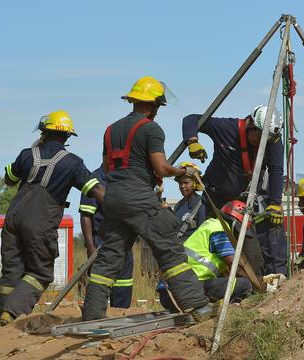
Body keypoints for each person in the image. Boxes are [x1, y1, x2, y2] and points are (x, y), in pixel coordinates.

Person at [82, 76, 212, 322]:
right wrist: (185, 171)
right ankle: (197, 305)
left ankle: (91, 314)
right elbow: (162, 167)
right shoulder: (151, 129)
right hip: (139, 197)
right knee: (169, 248)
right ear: (152, 105)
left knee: (109, 259)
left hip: (113, 197)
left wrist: (142, 174)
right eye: (158, 107)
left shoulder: (110, 130)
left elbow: (109, 168)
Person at [0, 110, 104, 325]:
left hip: (13, 218)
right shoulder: (73, 163)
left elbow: (8, 180)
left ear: (43, 132)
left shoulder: (26, 155)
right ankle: (13, 313)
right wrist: (120, 205)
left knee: (11, 271)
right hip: (40, 222)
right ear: (67, 137)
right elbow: (95, 191)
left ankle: (5, 320)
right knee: (41, 272)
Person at [182, 106, 286, 276]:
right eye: (259, 137)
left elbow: (276, 170)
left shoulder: (271, 139)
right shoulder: (227, 128)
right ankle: (222, 287)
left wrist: (275, 203)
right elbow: (191, 118)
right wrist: (192, 141)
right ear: (250, 124)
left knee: (270, 229)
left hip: (248, 201)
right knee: (220, 248)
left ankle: (273, 278)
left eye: (266, 140)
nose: (262, 143)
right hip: (218, 201)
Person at [158, 200, 253, 311]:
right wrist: (255, 285)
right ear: (235, 224)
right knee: (245, 284)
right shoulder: (219, 229)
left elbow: (227, 272)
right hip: (185, 293)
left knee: (230, 282)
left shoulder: (210, 225)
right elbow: (234, 263)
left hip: (171, 294)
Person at [79, 164, 134, 308]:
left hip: (124, 245)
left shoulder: (127, 176)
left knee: (123, 284)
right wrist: (90, 247)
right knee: (99, 288)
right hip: (101, 246)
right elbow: (86, 215)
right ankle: (96, 318)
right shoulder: (95, 179)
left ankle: (120, 318)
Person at [173, 161, 206, 240]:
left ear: (194, 183)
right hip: (178, 249)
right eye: (180, 183)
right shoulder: (178, 206)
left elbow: (202, 233)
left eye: (186, 182)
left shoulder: (202, 203)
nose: (182, 186)